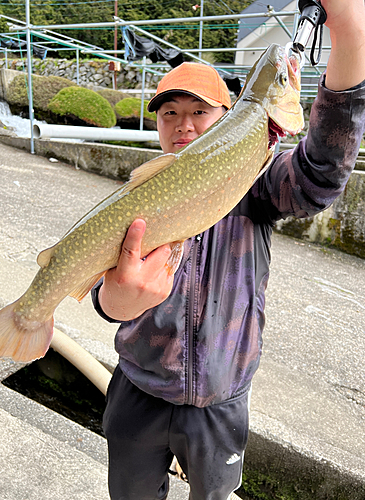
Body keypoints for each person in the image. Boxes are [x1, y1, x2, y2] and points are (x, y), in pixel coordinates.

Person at [92, 1, 365, 498]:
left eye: (200, 111)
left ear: (229, 116)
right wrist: (114, 303)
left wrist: (348, 29)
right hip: (137, 389)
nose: (184, 125)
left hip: (222, 400)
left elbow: (322, 173)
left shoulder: (258, 187)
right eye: (170, 113)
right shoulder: (137, 201)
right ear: (156, 125)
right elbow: (103, 290)